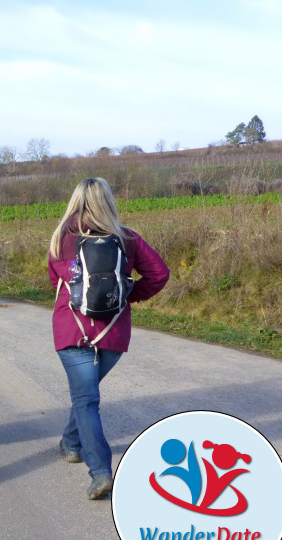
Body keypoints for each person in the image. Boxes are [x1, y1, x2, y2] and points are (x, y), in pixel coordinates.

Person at [48, 177, 169, 500]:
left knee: (85, 399)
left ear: (75, 202)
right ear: (109, 201)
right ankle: (71, 443)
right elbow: (160, 274)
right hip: (112, 332)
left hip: (73, 331)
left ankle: (101, 472)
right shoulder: (128, 238)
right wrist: (129, 296)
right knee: (85, 396)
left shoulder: (62, 238)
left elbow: (54, 280)